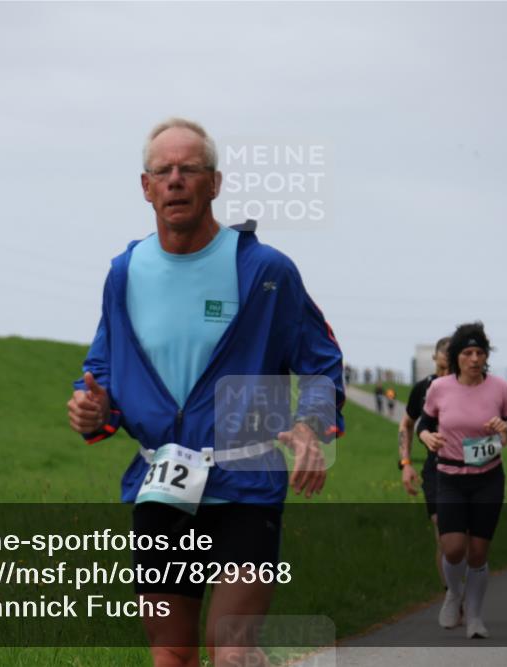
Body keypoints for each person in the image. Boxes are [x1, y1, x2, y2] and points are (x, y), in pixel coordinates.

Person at [66, 118, 345, 667]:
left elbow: (321, 363)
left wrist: (313, 428)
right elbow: (105, 368)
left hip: (246, 481)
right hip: (162, 484)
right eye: (162, 171)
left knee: (231, 648)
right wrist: (92, 406)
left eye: (189, 169)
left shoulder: (264, 270)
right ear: (145, 187)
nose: (175, 180)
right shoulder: (126, 272)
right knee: (171, 656)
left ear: (214, 183)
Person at [417, 322, 507, 639]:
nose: (475, 359)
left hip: (487, 478)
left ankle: (475, 617)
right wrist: (426, 437)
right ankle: (453, 593)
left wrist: (506, 427)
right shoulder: (440, 389)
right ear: (456, 357)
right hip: (449, 476)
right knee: (452, 548)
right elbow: (424, 422)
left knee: (478, 553)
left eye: (480, 353)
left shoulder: (499, 388)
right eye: (468, 353)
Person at [398, 336, 452, 589]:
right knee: (442, 532)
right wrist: (405, 463)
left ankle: (468, 591)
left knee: (467, 540)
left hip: (467, 469)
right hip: (435, 469)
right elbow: (406, 424)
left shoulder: (470, 388)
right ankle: (452, 594)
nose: (445, 371)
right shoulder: (423, 389)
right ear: (434, 358)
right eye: (442, 363)